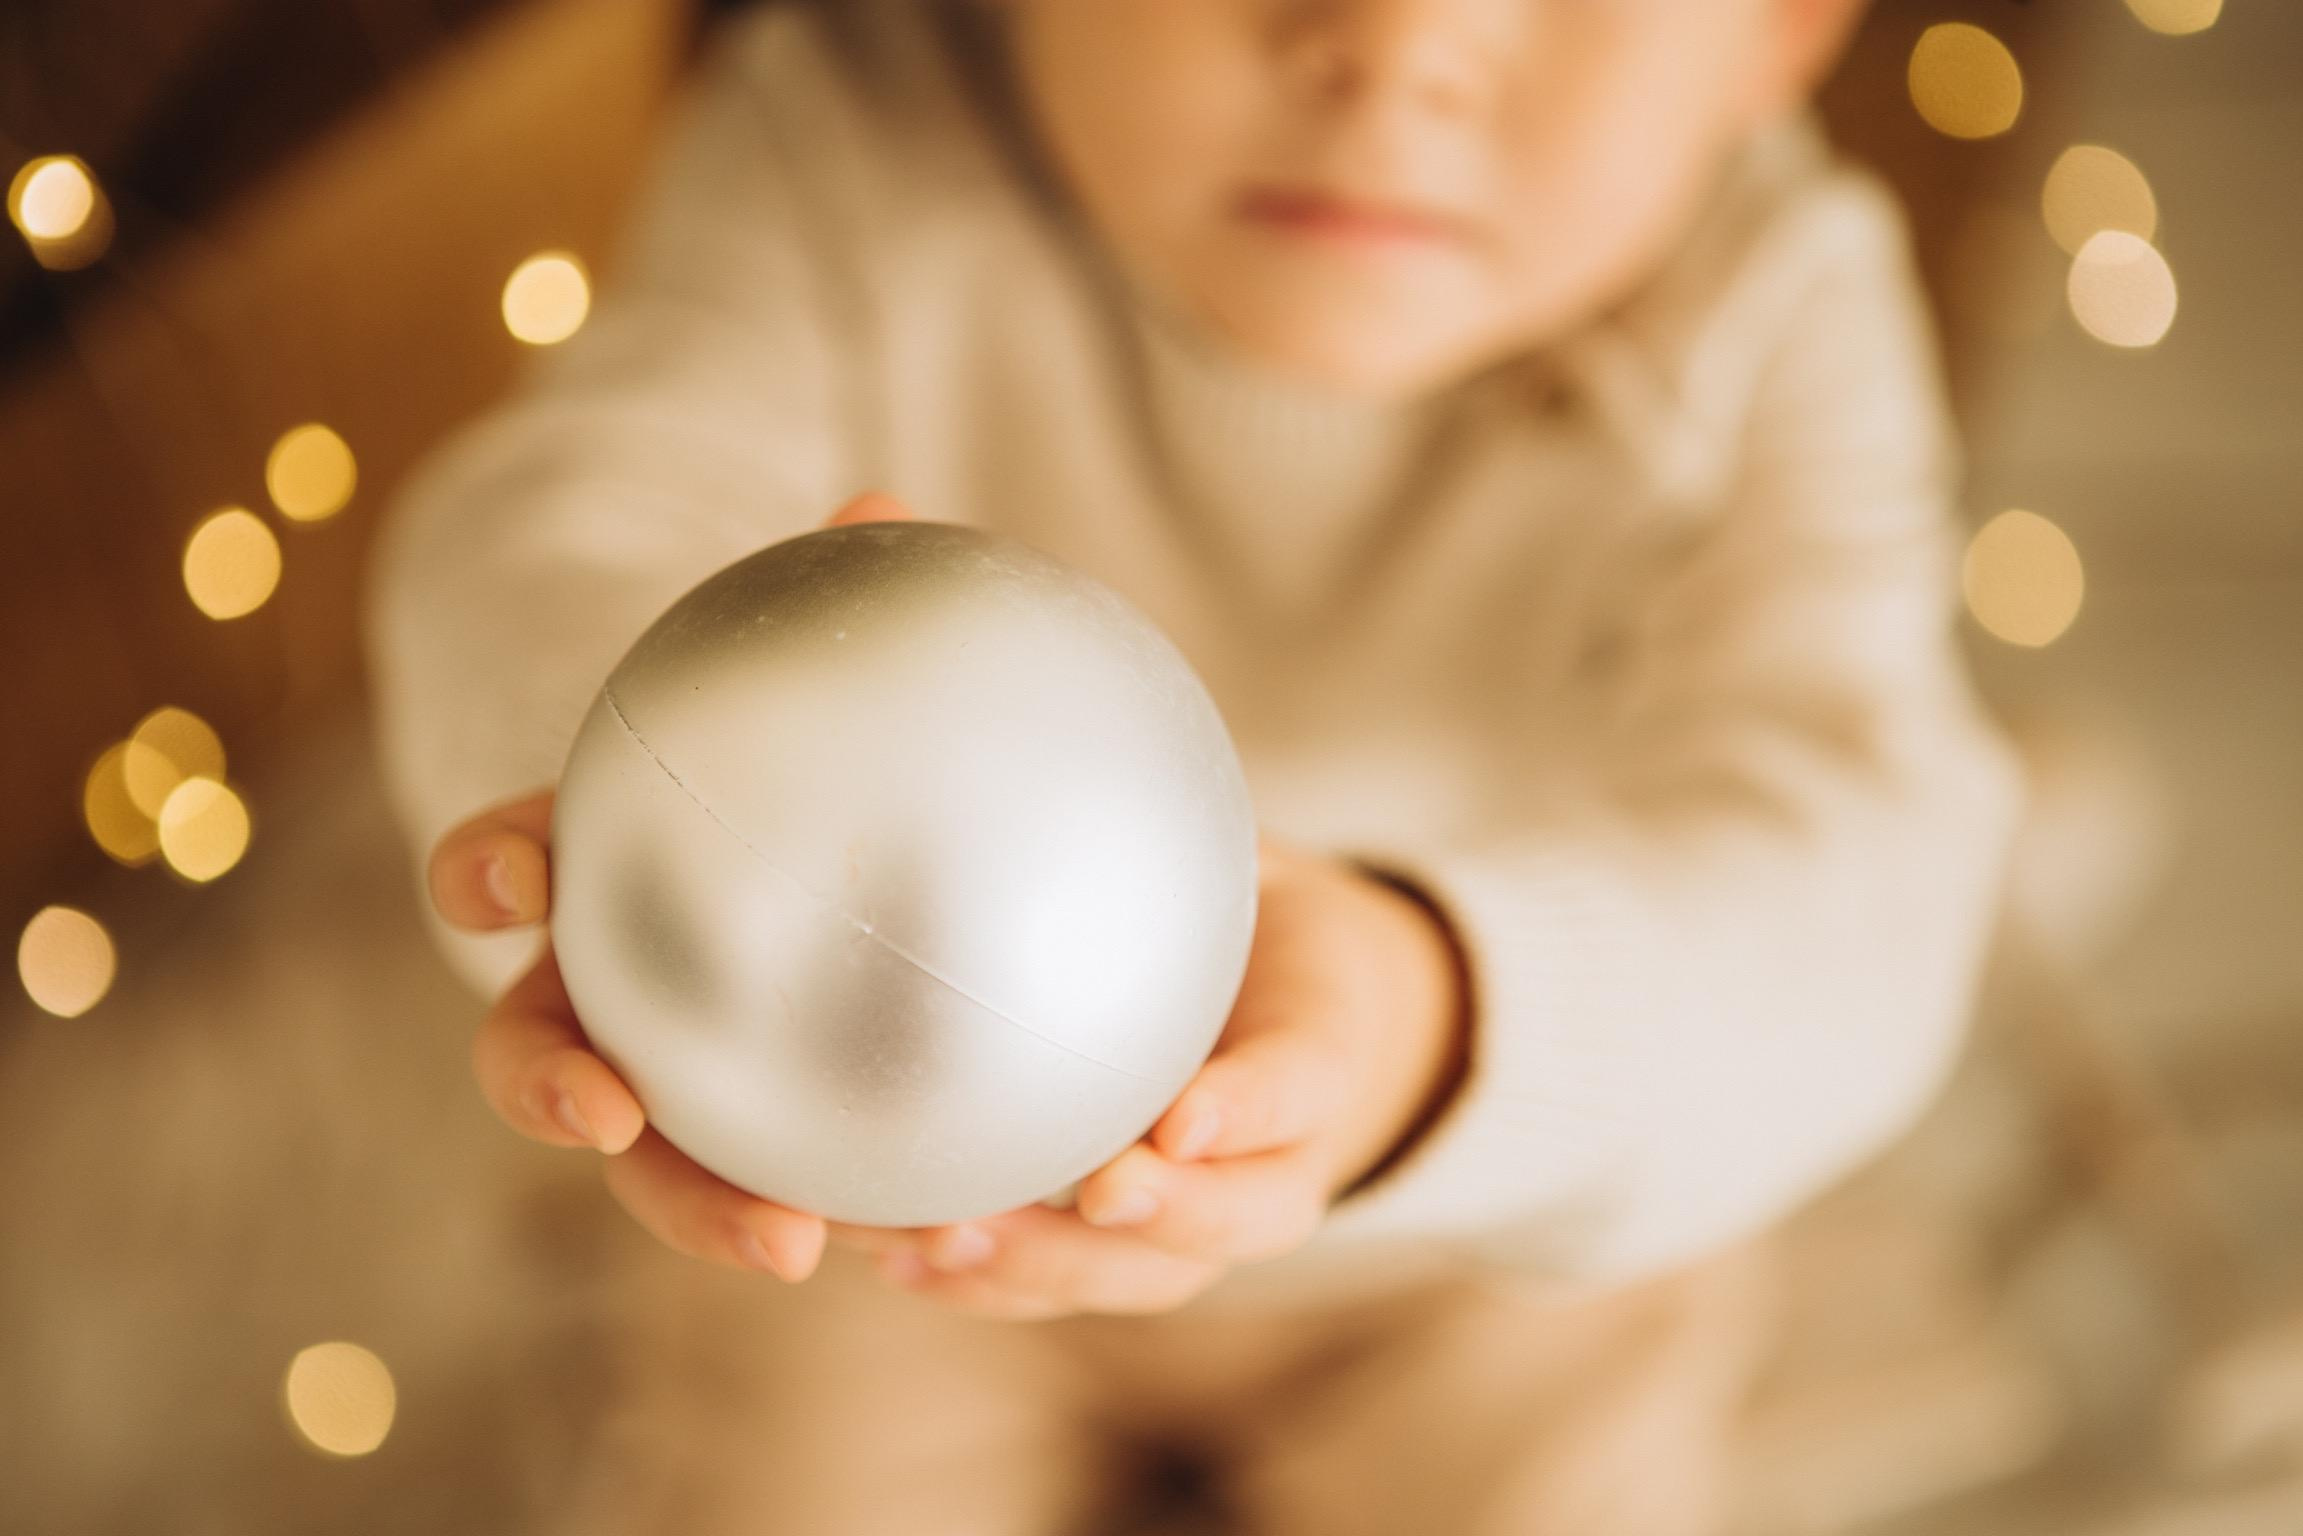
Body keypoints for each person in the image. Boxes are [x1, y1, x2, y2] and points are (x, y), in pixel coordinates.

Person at [363, 1, 2028, 1530]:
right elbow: (568, 518)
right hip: (874, 1182)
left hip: (1486, 1242)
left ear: (1784, 30)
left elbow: (1864, 870)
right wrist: (645, 800)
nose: (1399, 46)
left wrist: (1440, 1022)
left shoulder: (1778, 295)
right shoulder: (848, 129)